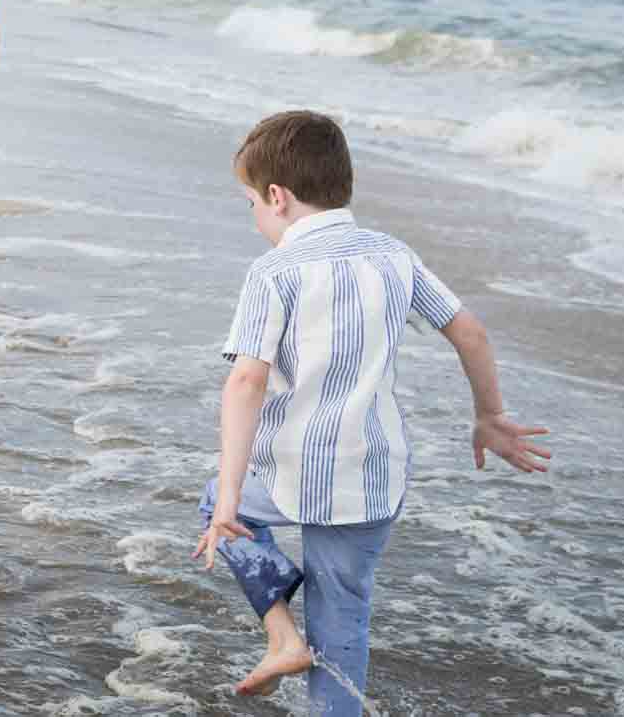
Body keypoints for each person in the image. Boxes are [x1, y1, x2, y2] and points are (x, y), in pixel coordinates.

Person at [195, 111, 551, 714]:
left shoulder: (274, 271)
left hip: (290, 475)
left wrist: (230, 495)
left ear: (277, 198)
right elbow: (470, 331)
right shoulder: (393, 256)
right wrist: (489, 416)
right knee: (342, 631)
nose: (255, 215)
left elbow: (246, 381)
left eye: (250, 202)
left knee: (217, 508)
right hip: (372, 479)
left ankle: (282, 635)